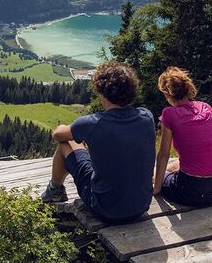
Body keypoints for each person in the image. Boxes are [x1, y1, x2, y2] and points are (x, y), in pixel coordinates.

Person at [40, 61, 156, 224]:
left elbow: (58, 135)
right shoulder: (146, 116)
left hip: (105, 209)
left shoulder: (92, 123)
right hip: (141, 206)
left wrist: (64, 127)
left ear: (101, 91)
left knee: (65, 145)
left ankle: (54, 190)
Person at [152, 67, 212, 206]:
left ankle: (160, 180)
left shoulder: (169, 114)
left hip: (192, 190)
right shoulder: (206, 107)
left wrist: (157, 189)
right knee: (176, 164)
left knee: (156, 172)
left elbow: (164, 154)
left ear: (168, 95)